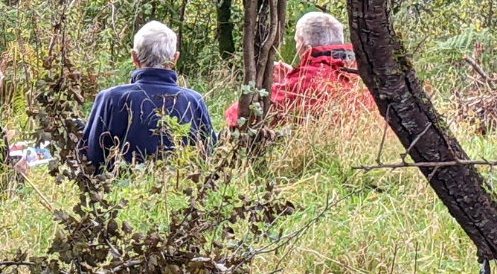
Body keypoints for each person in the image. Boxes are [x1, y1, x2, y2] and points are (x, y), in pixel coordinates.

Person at [79, 21, 216, 171]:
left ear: (134, 57)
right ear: (175, 59)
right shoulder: (194, 101)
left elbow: (89, 158)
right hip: (182, 191)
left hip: (119, 191)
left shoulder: (110, 98)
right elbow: (210, 158)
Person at [225, 12, 370, 126]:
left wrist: (279, 85)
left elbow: (238, 114)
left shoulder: (308, 81)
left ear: (306, 48)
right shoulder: (363, 70)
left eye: (297, 42)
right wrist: (292, 76)